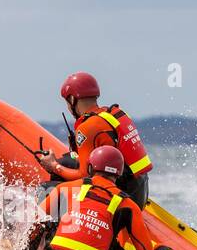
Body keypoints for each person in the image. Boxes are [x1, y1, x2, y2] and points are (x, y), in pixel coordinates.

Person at [36, 71, 153, 208]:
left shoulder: (88, 127)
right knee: (67, 161)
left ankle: (58, 227)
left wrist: (54, 167)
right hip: (139, 191)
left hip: (121, 198)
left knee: (46, 189)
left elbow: (84, 175)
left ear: (73, 100)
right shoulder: (113, 115)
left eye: (67, 102)